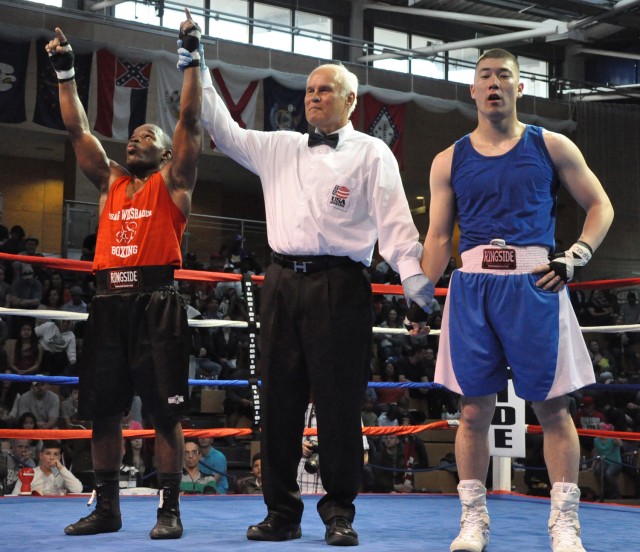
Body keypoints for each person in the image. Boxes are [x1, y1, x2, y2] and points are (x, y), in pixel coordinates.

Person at [185, 37, 433, 543]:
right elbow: (223, 129)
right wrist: (197, 64)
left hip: (341, 284)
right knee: (279, 400)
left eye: (325, 90)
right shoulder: (279, 147)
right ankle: (281, 512)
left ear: (349, 100)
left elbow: (397, 226)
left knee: (339, 401)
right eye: (310, 90)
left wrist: (416, 289)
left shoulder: (372, 153)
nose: (314, 97)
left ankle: (339, 509)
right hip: (279, 281)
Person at [420, 48, 614, 552]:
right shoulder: (449, 158)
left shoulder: (551, 145)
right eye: (484, 76)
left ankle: (565, 521)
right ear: (473, 89)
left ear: (519, 87)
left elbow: (600, 205)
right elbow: (439, 238)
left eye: (504, 76)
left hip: (536, 283)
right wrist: (418, 290)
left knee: (553, 408)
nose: (493, 84)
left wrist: (577, 254)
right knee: (471, 411)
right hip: (472, 286)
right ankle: (472, 520)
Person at [46, 13, 202, 539]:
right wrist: (66, 73)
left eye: (145, 137)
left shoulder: (175, 183)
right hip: (108, 303)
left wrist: (191, 60)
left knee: (165, 416)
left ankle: (169, 510)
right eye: (131, 138)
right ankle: (108, 508)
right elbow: (78, 129)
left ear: (163, 153)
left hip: (158, 301)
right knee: (105, 414)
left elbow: (190, 122)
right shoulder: (112, 181)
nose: (133, 142)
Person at [12, 440, 83, 496]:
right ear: (41, 456)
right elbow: (14, 497)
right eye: (48, 453)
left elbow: (78, 489)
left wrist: (61, 468)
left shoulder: (61, 474)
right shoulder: (30, 474)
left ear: (59, 457)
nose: (52, 458)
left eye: (55, 454)